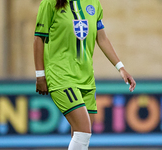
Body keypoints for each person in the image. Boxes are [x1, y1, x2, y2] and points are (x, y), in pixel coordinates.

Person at [33, 0, 136, 149]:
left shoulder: (93, 3)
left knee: (81, 135)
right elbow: (38, 38)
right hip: (61, 76)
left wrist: (121, 68)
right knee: (83, 130)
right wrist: (40, 75)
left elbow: (102, 38)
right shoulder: (50, 3)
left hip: (86, 79)